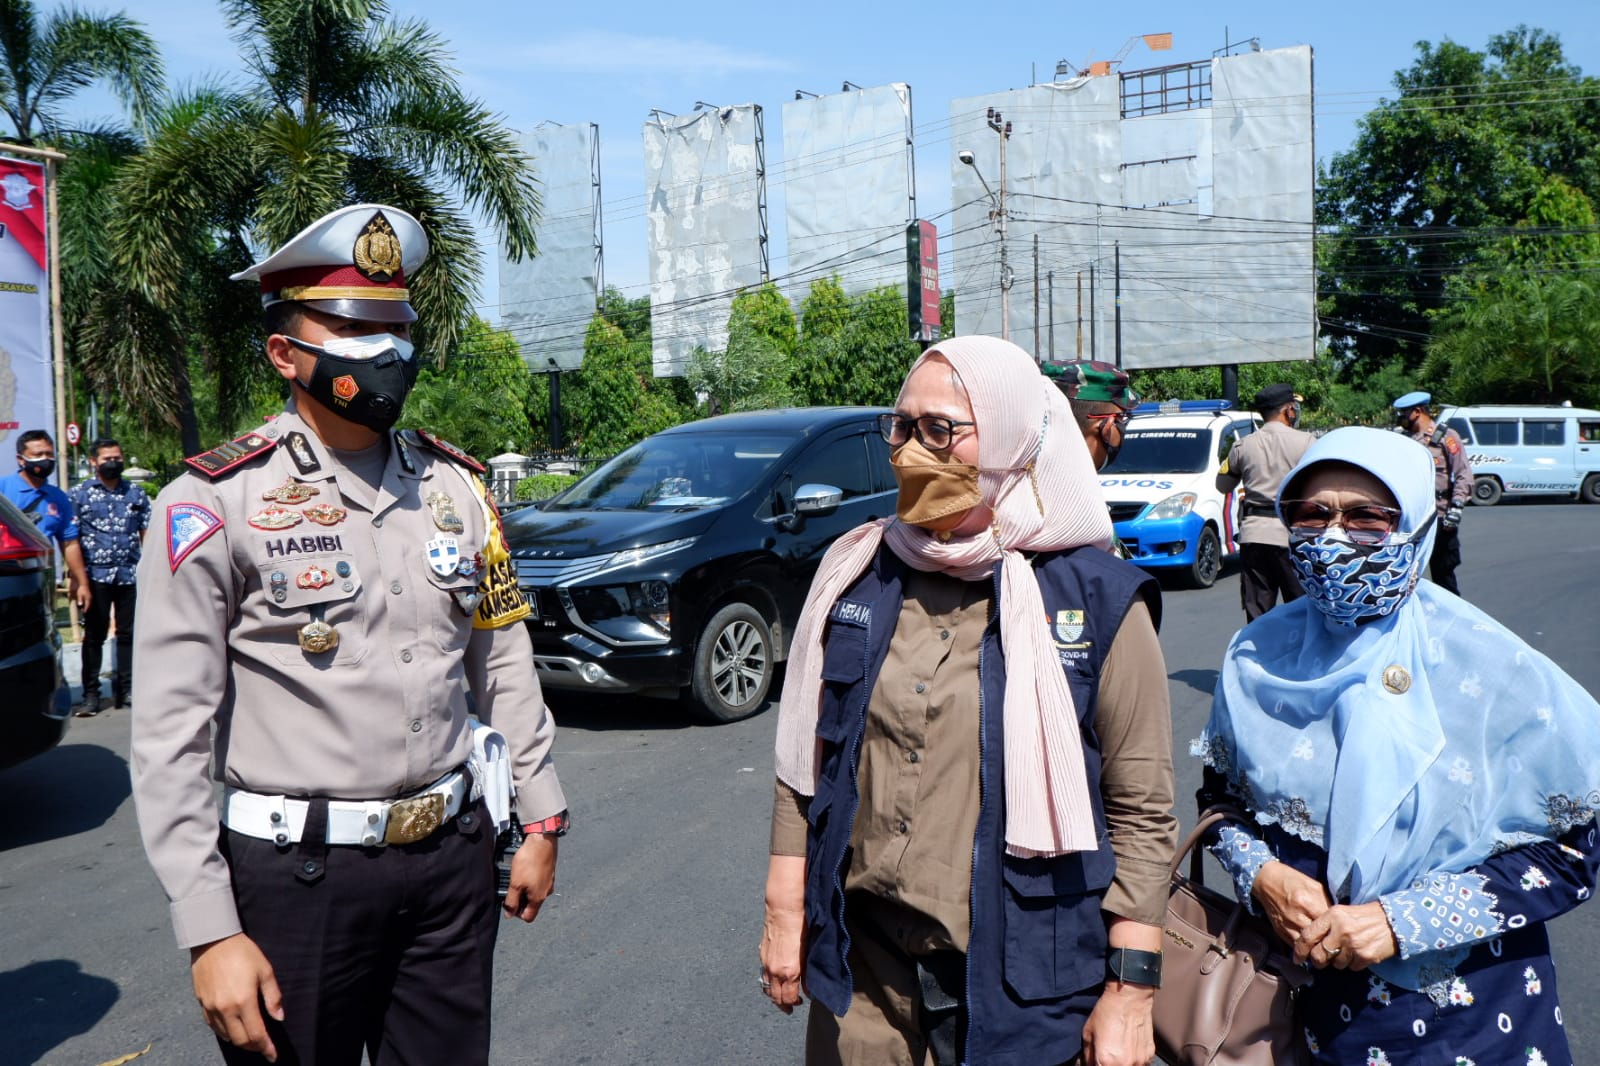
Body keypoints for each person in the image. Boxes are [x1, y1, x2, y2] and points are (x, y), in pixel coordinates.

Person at [130, 203, 567, 1066]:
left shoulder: (456, 487)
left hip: (451, 862)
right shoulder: (211, 504)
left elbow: (501, 658)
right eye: (353, 325)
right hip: (298, 880)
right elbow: (169, 736)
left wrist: (542, 816)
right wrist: (209, 930)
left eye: (397, 324)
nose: (387, 348)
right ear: (285, 352)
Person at [760, 336, 1177, 1066]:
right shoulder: (858, 571)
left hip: (1024, 983)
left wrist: (1132, 991)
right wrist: (784, 906)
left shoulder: (1097, 601)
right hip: (867, 974)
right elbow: (806, 765)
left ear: (1014, 438)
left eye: (941, 429)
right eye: (902, 425)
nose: (912, 449)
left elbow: (1142, 812)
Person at [1193, 426, 1600, 1065]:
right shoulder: (1258, 655)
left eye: (1365, 518)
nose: (1331, 538)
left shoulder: (1489, 666)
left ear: (1412, 524)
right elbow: (1222, 805)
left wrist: (1400, 922)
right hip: (1306, 1009)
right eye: (1311, 515)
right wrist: (1263, 877)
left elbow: (1575, 852)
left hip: (1477, 1019)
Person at [1214, 383, 1313, 621]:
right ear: (1288, 410)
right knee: (1302, 610)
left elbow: (1222, 485)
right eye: (1294, 407)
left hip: (1254, 536)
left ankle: (1257, 657)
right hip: (1294, 536)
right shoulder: (1307, 442)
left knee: (1257, 613)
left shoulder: (1243, 445)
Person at [67, 437, 149, 716]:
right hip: (95, 576)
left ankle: (125, 690)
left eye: (117, 458)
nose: (113, 463)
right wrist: (78, 580)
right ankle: (91, 694)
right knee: (94, 635)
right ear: (94, 462)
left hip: (129, 573)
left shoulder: (135, 493)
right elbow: (71, 540)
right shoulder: (79, 494)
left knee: (128, 634)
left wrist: (150, 568)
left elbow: (146, 532)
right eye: (107, 459)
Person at [1, 429, 91, 614]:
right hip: (6, 576)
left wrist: (81, 582)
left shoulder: (58, 497)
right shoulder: (3, 489)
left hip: (40, 579)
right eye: (38, 454)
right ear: (21, 459)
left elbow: (70, 543)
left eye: (49, 454)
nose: (45, 459)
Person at [1393, 390, 1472, 595]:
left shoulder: (1446, 437)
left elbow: (1463, 474)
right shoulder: (1403, 441)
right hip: (1412, 519)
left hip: (1440, 517)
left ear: (1417, 412)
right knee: (1405, 575)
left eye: (1403, 413)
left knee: (1443, 574)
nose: (1399, 418)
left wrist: (1456, 507)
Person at [1045, 359, 1138, 471]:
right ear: (1108, 425)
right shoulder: (1081, 486)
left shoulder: (1024, 475)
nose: (1123, 424)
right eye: (1122, 417)